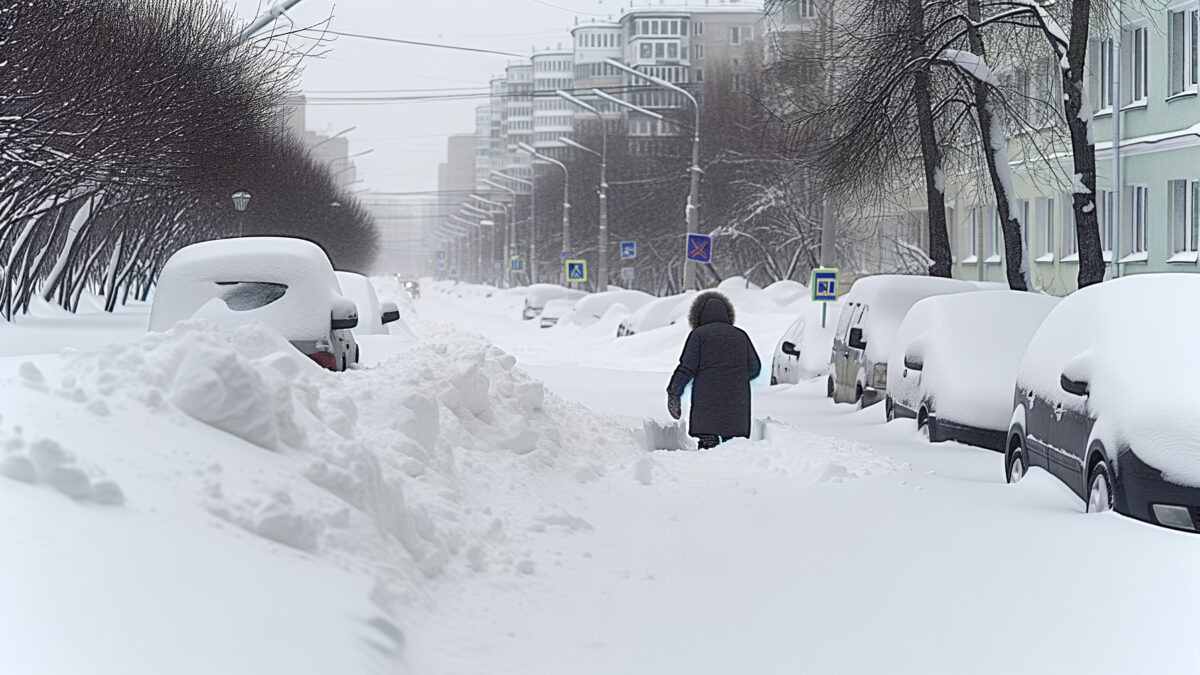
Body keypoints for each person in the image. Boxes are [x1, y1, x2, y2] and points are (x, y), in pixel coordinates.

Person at [666, 291, 761, 449]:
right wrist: (736, 378)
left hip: (706, 403)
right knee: (734, 449)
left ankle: (708, 451)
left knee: (707, 449)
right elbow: (755, 368)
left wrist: (674, 392)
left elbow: (686, 368)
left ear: (699, 316)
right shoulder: (741, 336)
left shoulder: (698, 335)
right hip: (736, 405)